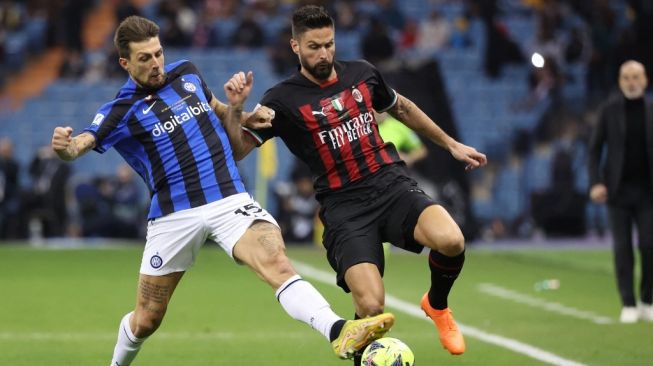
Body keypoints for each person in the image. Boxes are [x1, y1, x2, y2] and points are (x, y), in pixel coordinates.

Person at [49, 16, 395, 365]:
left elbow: (220, 114)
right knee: (146, 319)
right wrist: (64, 146)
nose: (156, 64)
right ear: (125, 63)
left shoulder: (187, 74)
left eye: (158, 53)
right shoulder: (120, 110)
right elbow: (78, 146)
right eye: (145, 58)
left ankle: (337, 331)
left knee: (276, 262)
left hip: (228, 198)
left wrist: (241, 109)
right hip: (174, 215)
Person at [225, 5, 488, 362]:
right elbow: (239, 150)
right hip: (344, 207)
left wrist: (452, 144)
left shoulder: (363, 74)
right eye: (314, 46)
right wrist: (237, 110)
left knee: (452, 240)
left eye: (329, 44)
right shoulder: (281, 100)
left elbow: (403, 108)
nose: (324, 53)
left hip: (390, 185)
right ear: (295, 46)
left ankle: (437, 305)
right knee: (370, 307)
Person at [588, 60, 653, 323]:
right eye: (626, 77)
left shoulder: (651, 110)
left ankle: (648, 300)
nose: (632, 81)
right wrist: (595, 182)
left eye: (636, 76)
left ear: (645, 80)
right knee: (622, 248)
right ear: (619, 81)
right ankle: (628, 302)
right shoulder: (609, 110)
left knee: (649, 245)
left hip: (648, 192)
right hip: (617, 192)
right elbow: (594, 150)